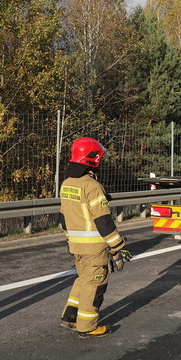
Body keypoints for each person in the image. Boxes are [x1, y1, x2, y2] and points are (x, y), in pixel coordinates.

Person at [59, 137, 132, 337]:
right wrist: (118, 246)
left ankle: (70, 316)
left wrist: (69, 240)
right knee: (95, 283)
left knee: (83, 279)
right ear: (93, 159)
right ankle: (87, 325)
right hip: (94, 248)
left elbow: (64, 217)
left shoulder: (67, 183)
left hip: (76, 245)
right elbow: (103, 222)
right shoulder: (92, 186)